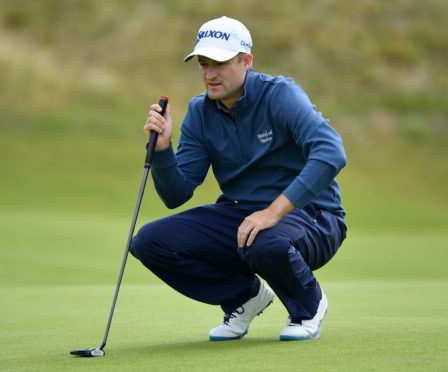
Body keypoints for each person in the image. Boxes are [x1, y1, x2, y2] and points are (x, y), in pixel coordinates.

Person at [130, 16, 347, 341]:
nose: (209, 73)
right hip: (244, 215)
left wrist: (272, 212)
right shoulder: (200, 112)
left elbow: (331, 153)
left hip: (314, 217)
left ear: (246, 61)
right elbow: (177, 193)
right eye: (203, 64)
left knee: (264, 240)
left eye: (219, 63)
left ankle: (308, 305)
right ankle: (243, 296)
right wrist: (163, 150)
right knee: (150, 241)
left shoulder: (280, 95)